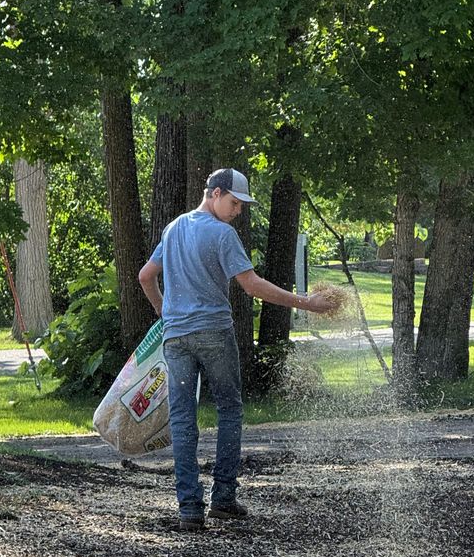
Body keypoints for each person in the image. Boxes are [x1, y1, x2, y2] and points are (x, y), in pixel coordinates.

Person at [138, 167, 337, 532]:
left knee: (183, 419)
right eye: (234, 203)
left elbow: (145, 276)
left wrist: (164, 314)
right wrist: (307, 303)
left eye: (241, 205)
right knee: (229, 410)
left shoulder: (173, 228)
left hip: (176, 338)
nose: (237, 211)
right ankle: (224, 499)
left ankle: (189, 510)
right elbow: (252, 286)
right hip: (213, 333)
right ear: (214, 193)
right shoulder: (222, 234)